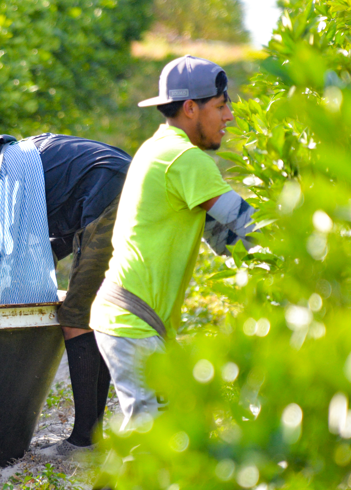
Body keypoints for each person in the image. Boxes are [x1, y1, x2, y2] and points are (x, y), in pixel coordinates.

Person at [0, 129, 132, 456]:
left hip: (113, 193)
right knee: (91, 313)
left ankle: (84, 441)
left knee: (78, 315)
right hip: (115, 188)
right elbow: (33, 247)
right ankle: (91, 437)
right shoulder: (13, 161)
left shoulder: (3, 173)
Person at [90, 55, 256, 430]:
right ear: (190, 108)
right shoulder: (184, 159)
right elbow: (250, 226)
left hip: (136, 321)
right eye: (221, 105)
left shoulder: (157, 149)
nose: (229, 116)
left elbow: (224, 238)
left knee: (178, 435)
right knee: (155, 444)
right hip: (133, 323)